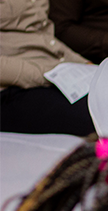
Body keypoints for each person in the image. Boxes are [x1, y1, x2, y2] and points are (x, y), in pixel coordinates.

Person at [0, 0, 95, 136]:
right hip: (10, 86)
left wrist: (84, 64)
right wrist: (47, 74)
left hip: (48, 70)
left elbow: (43, 35)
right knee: (96, 115)